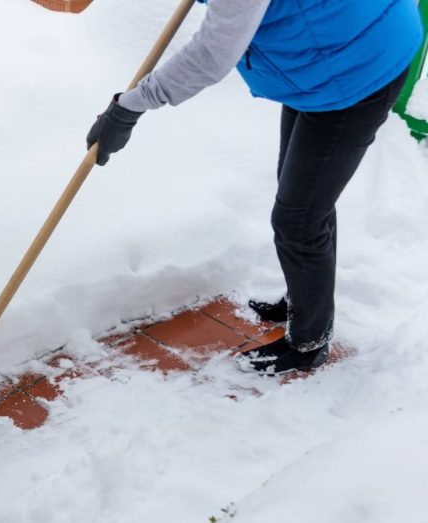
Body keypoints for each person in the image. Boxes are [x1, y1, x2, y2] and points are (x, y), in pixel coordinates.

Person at [87, 0, 424, 375]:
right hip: (328, 52)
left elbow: (212, 54)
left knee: (299, 218)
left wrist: (129, 107)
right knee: (303, 202)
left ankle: (308, 342)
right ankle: (305, 301)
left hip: (356, 68)